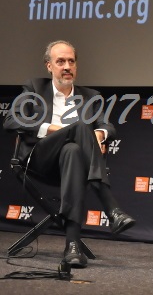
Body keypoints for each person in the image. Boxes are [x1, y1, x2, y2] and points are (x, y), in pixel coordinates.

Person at [3, 40, 136, 268]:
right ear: (49, 66)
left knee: (74, 149)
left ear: (76, 66)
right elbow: (11, 120)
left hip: (73, 164)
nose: (67, 66)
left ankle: (72, 247)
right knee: (81, 127)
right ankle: (110, 207)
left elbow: (107, 126)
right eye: (60, 61)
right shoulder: (34, 87)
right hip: (39, 158)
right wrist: (55, 129)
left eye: (71, 61)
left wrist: (99, 136)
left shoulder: (90, 96)